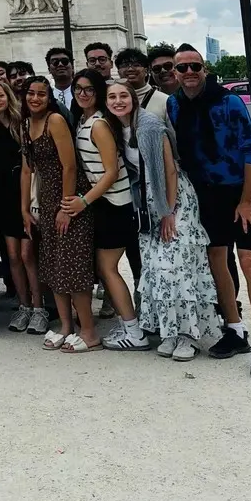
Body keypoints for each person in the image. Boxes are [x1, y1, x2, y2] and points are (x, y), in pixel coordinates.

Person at [168, 45, 251, 378]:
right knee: (217, 258)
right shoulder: (174, 104)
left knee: (248, 261)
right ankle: (235, 328)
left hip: (242, 191)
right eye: (182, 68)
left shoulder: (230, 101)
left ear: (205, 69)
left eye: (194, 66)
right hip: (207, 193)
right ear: (174, 72)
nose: (189, 73)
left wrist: (246, 201)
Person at [105, 82, 218, 361]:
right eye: (112, 97)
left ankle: (189, 336)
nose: (118, 101)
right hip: (149, 201)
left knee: (176, 268)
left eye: (123, 96)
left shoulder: (150, 126)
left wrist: (168, 211)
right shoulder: (119, 128)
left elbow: (169, 170)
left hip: (173, 198)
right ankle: (170, 331)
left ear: (133, 99)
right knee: (155, 269)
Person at [61, 69, 147, 351]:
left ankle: (133, 330)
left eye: (89, 89)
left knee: (107, 268)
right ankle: (130, 324)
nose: (82, 94)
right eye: (78, 89)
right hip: (107, 203)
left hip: (114, 203)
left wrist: (83, 201)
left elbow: (111, 172)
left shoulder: (97, 125)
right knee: (106, 268)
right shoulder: (86, 122)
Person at [20, 77, 98, 352]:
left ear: (49, 97)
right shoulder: (26, 123)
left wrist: (66, 208)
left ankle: (88, 331)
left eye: (41, 94)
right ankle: (66, 327)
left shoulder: (55, 120)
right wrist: (24, 209)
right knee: (53, 264)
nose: (35, 98)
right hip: (46, 199)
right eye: (31, 93)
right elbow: (27, 169)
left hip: (68, 198)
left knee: (73, 265)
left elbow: (70, 167)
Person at [0, 81, 47, 334]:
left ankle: (39, 308)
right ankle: (24, 306)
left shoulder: (22, 124)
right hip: (2, 198)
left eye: (0, 95)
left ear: (8, 96)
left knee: (29, 255)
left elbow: (29, 165)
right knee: (13, 257)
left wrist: (27, 205)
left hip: (25, 194)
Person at [115, 47, 171, 125]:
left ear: (146, 70)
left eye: (136, 65)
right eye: (125, 65)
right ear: (118, 72)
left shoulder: (165, 101)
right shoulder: (113, 102)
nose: (130, 69)